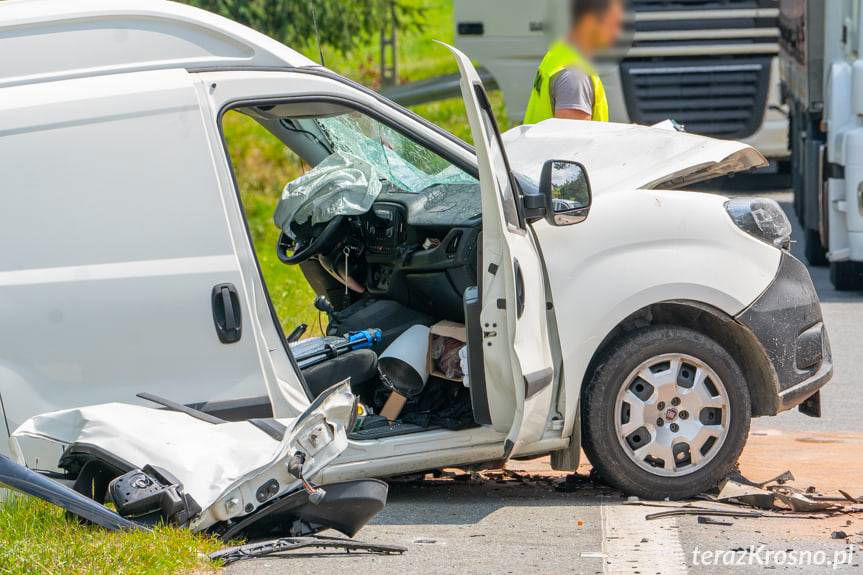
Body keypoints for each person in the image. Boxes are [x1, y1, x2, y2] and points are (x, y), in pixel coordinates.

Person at [524, 0, 625, 124]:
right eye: (612, 24)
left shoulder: (559, 52)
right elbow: (573, 137)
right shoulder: (575, 77)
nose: (617, 33)